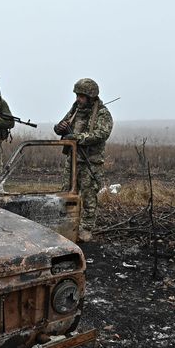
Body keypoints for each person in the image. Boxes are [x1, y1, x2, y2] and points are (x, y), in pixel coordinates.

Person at [54, 78, 113, 242]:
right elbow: (62, 125)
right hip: (72, 160)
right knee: (66, 194)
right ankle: (66, 227)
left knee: (88, 198)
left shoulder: (102, 114)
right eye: (77, 95)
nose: (78, 99)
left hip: (90, 162)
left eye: (81, 96)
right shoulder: (75, 110)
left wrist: (78, 138)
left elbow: (101, 134)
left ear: (91, 96)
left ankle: (85, 230)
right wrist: (59, 128)